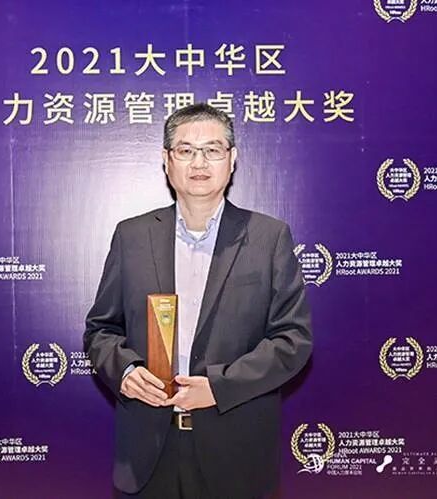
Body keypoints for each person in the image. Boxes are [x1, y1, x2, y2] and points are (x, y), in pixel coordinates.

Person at [84, 103, 312, 499]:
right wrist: (126, 371)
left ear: (232, 159)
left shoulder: (269, 237)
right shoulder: (132, 236)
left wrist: (219, 388)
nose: (199, 162)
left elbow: (293, 341)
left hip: (236, 451)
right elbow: (101, 330)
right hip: (148, 453)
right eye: (186, 150)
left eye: (212, 150)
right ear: (167, 160)